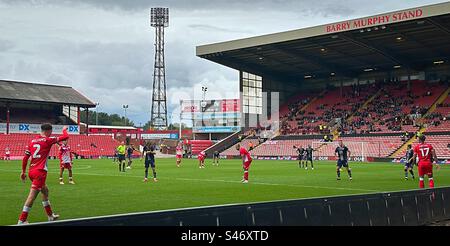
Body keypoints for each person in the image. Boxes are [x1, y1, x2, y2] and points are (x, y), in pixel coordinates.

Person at [18, 124, 69, 224]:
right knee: (32, 196)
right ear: (48, 131)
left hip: (31, 171)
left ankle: (50, 215)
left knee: (45, 191)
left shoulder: (32, 141)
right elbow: (65, 137)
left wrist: (23, 172)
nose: (51, 134)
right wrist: (64, 130)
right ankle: (21, 220)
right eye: (51, 132)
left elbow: (25, 158)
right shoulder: (47, 140)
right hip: (40, 172)